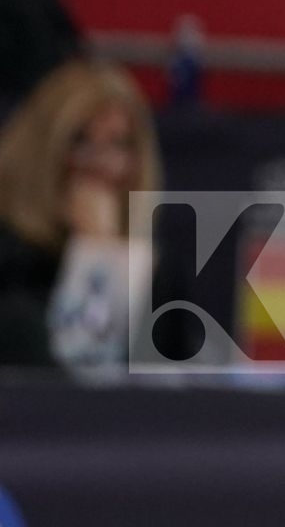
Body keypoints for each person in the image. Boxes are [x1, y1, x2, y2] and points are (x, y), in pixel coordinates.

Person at [0, 60, 170, 368]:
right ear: (41, 152)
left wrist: (107, 253)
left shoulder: (155, 276)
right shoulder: (11, 267)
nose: (101, 164)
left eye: (118, 144)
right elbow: (76, 381)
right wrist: (97, 257)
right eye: (81, 141)